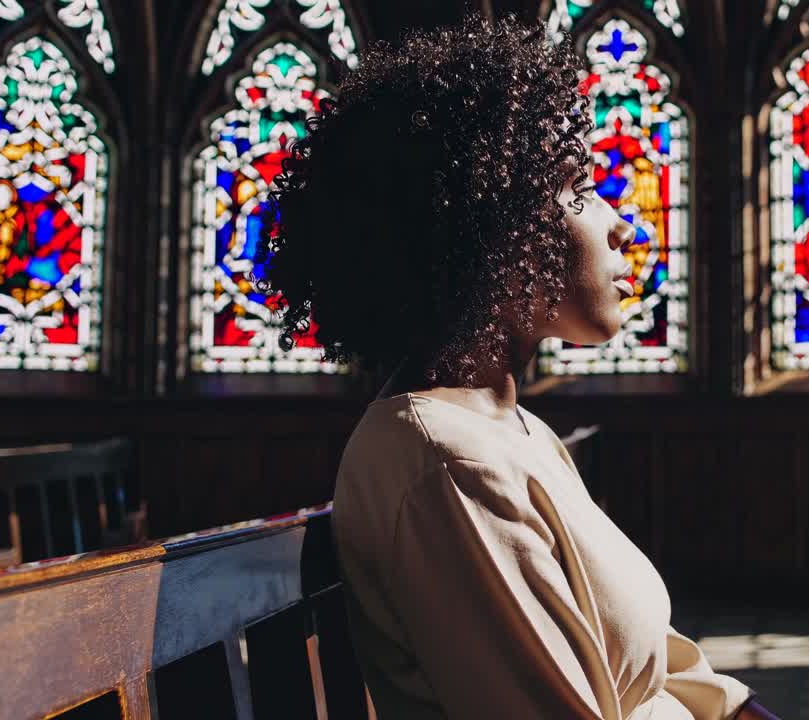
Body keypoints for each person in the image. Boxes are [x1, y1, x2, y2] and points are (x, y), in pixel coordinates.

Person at [260, 14, 774, 719]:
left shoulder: (508, 427)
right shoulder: (446, 461)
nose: (622, 225)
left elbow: (650, 659)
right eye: (580, 189)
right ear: (496, 226)